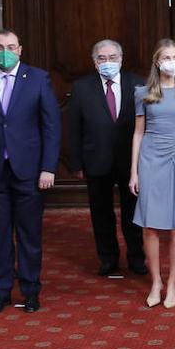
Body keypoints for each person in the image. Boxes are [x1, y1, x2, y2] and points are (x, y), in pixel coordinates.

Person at [0, 29, 61, 315]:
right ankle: (0, 292)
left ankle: (30, 291)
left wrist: (47, 167)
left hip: (29, 171)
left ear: (20, 50)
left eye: (10, 46)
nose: (4, 51)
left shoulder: (38, 79)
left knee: (29, 235)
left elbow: (51, 127)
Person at [67, 39, 146, 277]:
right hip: (96, 159)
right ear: (94, 62)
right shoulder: (82, 88)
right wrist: (76, 162)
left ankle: (136, 258)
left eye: (113, 57)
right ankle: (108, 258)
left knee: (133, 212)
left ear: (121, 59)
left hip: (130, 161)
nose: (108, 62)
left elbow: (148, 126)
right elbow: (74, 128)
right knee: (101, 213)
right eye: (102, 58)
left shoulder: (138, 84)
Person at [130, 40, 175, 309]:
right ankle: (156, 281)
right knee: (150, 224)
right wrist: (133, 171)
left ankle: (173, 282)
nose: (171, 61)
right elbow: (137, 133)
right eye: (166, 57)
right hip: (150, 158)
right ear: (157, 62)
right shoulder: (144, 93)